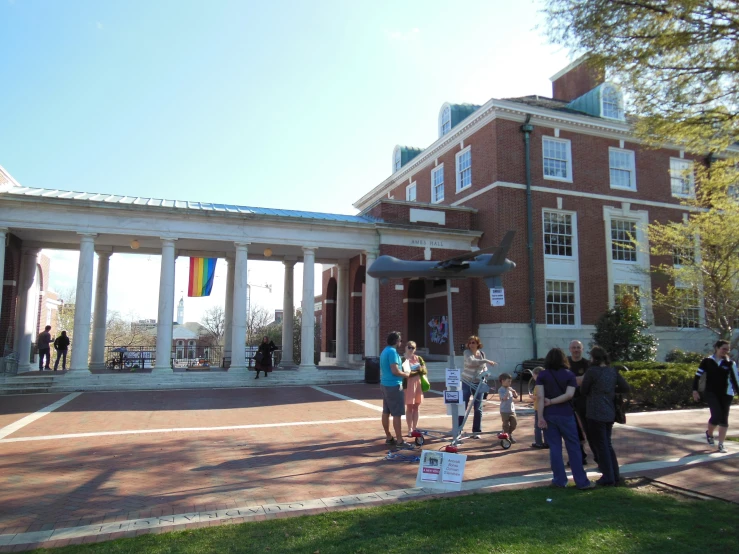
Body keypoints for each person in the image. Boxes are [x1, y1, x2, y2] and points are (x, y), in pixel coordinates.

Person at [536, 347, 594, 490]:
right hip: (566, 414)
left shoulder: (542, 375)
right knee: (573, 447)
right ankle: (581, 481)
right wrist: (554, 401)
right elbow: (569, 395)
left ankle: (559, 480)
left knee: (555, 448)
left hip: (549, 415)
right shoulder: (569, 375)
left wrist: (540, 416)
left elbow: (540, 397)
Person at [581, 346, 630, 486]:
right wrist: (611, 390)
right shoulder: (612, 371)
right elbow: (625, 387)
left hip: (595, 412)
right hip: (609, 411)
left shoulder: (592, 372)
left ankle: (608, 477)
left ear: (594, 358)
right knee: (607, 444)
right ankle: (614, 475)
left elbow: (584, 390)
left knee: (601, 445)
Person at [693, 340, 739, 454]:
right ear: (717, 348)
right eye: (723, 348)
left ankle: (721, 444)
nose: (726, 351)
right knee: (716, 415)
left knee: (724, 419)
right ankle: (709, 433)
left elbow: (735, 379)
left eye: (727, 349)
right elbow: (697, 376)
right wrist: (695, 390)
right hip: (711, 393)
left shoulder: (730, 363)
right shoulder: (707, 361)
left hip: (726, 394)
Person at [459, 335, 497, 438]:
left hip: (479, 383)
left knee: (478, 408)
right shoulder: (467, 353)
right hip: (466, 381)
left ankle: (476, 431)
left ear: (477, 344)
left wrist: (486, 373)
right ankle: (458, 429)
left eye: (473, 343)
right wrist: (486, 361)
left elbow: (483, 367)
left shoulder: (482, 354)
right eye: (470, 343)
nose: (471, 344)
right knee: (463, 405)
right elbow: (471, 362)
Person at [380, 331, 411, 448]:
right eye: (400, 340)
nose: (401, 342)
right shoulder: (392, 352)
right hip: (393, 385)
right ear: (396, 341)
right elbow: (395, 371)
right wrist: (407, 374)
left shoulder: (385, 351)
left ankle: (389, 437)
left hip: (384, 384)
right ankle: (399, 440)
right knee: (396, 414)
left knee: (386, 411)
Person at [568, 339, 594, 465]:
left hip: (584, 400)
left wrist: (571, 380)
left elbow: (587, 380)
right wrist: (578, 380)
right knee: (573, 430)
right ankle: (580, 456)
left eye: (578, 347)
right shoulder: (565, 364)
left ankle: (598, 456)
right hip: (568, 400)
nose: (576, 350)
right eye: (574, 347)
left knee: (588, 429)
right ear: (570, 349)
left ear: (582, 349)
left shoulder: (587, 364)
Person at [402, 341, 427, 437]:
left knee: (416, 406)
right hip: (408, 385)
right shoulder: (403, 359)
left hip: (418, 384)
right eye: (409, 347)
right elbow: (404, 373)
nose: (411, 349)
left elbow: (424, 370)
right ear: (405, 347)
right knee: (409, 407)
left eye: (413, 348)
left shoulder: (419, 358)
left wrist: (417, 370)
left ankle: (415, 428)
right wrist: (417, 370)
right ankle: (409, 429)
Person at [529, 366, 549, 449]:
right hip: (546, 407)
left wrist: (532, 397)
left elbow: (538, 396)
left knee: (537, 426)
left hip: (538, 408)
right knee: (545, 426)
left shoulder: (538, 385)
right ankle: (547, 442)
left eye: (534, 376)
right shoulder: (546, 384)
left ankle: (538, 442)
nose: (533, 378)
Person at [498, 373, 518, 443]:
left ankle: (509, 434)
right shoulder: (501, 390)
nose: (510, 383)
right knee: (505, 425)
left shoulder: (510, 389)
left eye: (510, 381)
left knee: (514, 424)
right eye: (508, 381)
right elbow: (504, 398)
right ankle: (506, 436)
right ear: (503, 381)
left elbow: (516, 396)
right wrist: (507, 391)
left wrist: (514, 391)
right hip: (504, 410)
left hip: (511, 410)